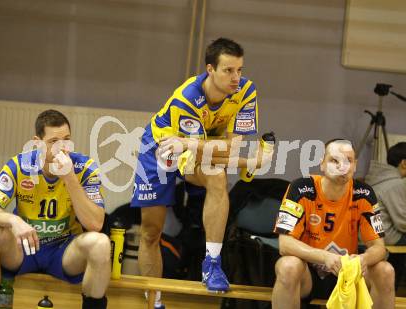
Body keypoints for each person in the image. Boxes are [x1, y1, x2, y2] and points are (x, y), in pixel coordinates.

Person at [131, 37, 266, 306]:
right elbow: (212, 152)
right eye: (228, 70)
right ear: (210, 69)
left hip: (190, 144)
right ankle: (154, 302)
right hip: (159, 148)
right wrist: (250, 161)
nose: (236, 77)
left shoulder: (246, 92)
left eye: (239, 70)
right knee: (150, 231)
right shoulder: (188, 98)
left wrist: (193, 143)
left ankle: (212, 263)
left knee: (216, 177)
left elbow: (229, 150)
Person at [0, 110, 111, 309]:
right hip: (24, 248)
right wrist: (14, 221)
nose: (61, 149)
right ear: (37, 143)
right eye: (53, 142)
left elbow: (95, 224)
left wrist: (69, 177)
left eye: (66, 140)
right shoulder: (19, 165)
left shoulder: (85, 168)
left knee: (101, 243)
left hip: (64, 251)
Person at [272, 139, 395, 309]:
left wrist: (363, 259)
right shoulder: (300, 188)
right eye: (334, 160)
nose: (342, 167)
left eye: (348, 161)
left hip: (348, 275)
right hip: (308, 274)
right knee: (288, 266)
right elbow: (285, 245)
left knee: (385, 270)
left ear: (355, 166)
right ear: (322, 164)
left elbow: (379, 247)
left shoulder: (364, 193)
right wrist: (325, 257)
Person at [365, 142, 406, 245]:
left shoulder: (378, 178)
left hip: (372, 234)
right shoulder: (395, 184)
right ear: (404, 163)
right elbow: (402, 223)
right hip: (387, 236)